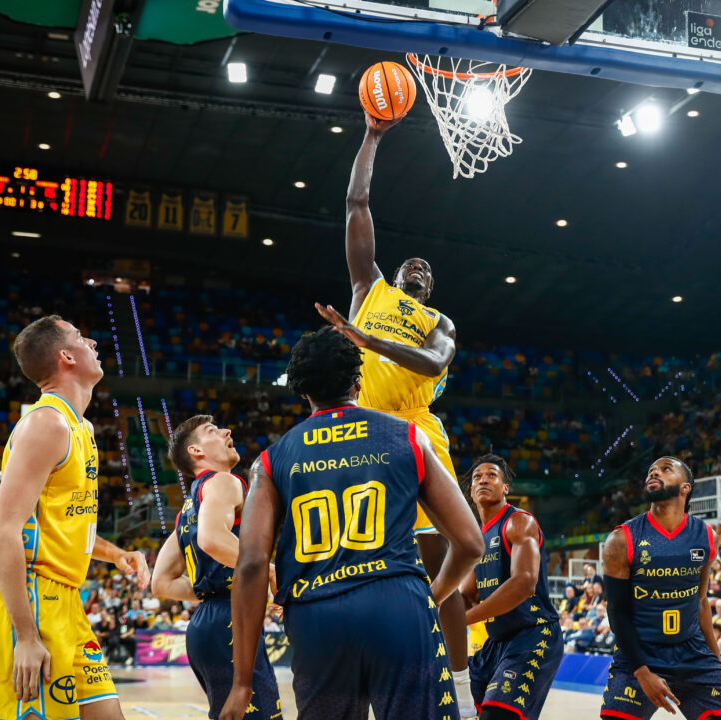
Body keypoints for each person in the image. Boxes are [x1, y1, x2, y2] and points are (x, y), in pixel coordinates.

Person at [220, 327, 483, 720]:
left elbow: (252, 564)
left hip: (316, 616)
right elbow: (471, 542)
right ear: (359, 382)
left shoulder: (271, 461)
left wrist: (242, 682)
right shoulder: (408, 437)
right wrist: (435, 595)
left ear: (303, 392)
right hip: (397, 604)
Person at [315, 110, 475, 718]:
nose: (420, 268)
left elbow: (433, 364)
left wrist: (367, 340)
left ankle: (461, 688)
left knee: (444, 559)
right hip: (356, 428)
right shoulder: (369, 289)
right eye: (413, 263)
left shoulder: (440, 323)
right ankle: (356, 682)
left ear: (431, 289)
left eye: (428, 271)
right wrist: (372, 136)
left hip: (415, 430)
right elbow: (356, 204)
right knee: (351, 561)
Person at [0, 316, 152, 720]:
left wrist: (115, 554)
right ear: (66, 357)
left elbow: (60, 524)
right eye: (80, 336)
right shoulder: (47, 423)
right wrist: (26, 635)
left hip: (68, 601)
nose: (92, 341)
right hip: (33, 599)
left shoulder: (82, 429)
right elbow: (2, 534)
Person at [149, 415, 281, 720]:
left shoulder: (188, 508)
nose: (226, 431)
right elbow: (211, 539)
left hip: (204, 625)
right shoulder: (223, 481)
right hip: (230, 622)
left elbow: (161, 583)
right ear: (196, 451)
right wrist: (269, 571)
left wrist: (213, 589)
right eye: (212, 430)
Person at [600, 457, 721, 720]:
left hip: (693, 653)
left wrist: (717, 660)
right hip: (640, 653)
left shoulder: (706, 536)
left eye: (666, 469)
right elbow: (617, 611)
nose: (654, 473)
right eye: (651, 471)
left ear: (685, 488)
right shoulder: (621, 539)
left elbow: (701, 601)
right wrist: (641, 672)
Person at [462, 454, 564, 720]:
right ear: (471, 492)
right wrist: (432, 612)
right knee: (445, 702)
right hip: (496, 643)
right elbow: (467, 595)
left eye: (492, 475)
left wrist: (462, 619)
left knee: (497, 715)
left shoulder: (519, 522)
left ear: (505, 487)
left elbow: (524, 583)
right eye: (477, 477)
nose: (483, 480)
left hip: (534, 633)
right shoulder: (477, 538)